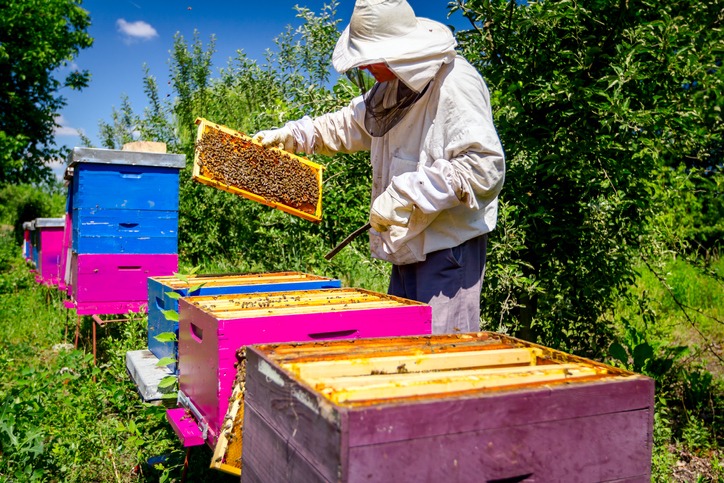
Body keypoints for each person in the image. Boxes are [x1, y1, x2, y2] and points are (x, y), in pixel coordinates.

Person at [254, 0, 505, 334]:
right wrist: (291, 136)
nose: (365, 67)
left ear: (398, 51)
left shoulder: (455, 83)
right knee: (401, 358)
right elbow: (347, 125)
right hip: (406, 245)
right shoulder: (392, 87)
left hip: (447, 252)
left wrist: (406, 194)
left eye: (370, 57)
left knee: (438, 364)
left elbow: (483, 168)